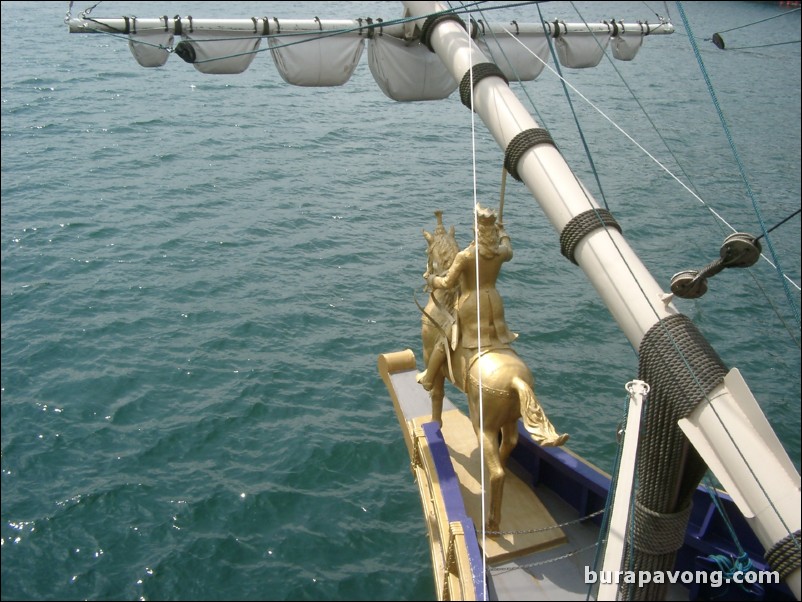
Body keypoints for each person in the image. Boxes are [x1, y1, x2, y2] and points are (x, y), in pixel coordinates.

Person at [417, 204, 517, 391]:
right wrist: (503, 233)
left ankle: (430, 377)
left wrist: (432, 279)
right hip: (494, 302)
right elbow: (509, 251)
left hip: (471, 304)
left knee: (446, 337)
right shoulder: (500, 252)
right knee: (497, 337)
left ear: (477, 231)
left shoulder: (466, 256)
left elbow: (447, 283)